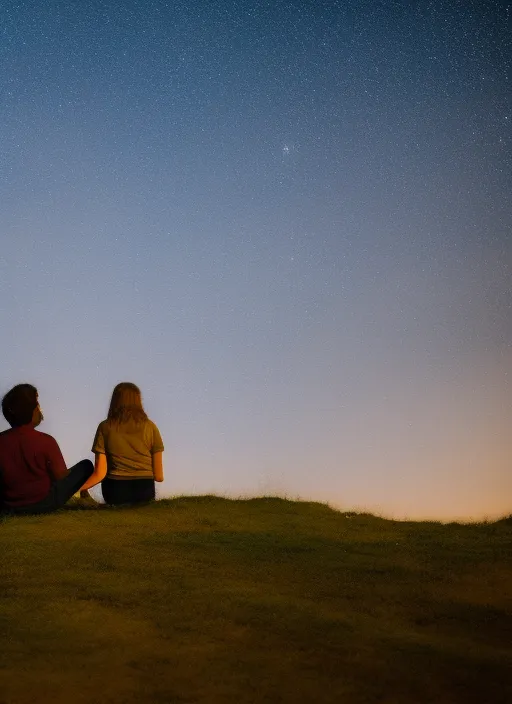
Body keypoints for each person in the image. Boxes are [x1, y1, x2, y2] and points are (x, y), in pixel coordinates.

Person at [0, 384, 95, 515]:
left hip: (8, 505)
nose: (40, 409)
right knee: (86, 466)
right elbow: (60, 476)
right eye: (37, 405)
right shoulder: (46, 441)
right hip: (44, 504)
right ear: (30, 410)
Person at [81, 382, 164, 505]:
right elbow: (159, 477)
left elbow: (100, 473)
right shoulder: (151, 427)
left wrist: (81, 489)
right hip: (145, 492)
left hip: (115, 492)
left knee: (84, 466)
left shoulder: (105, 427)